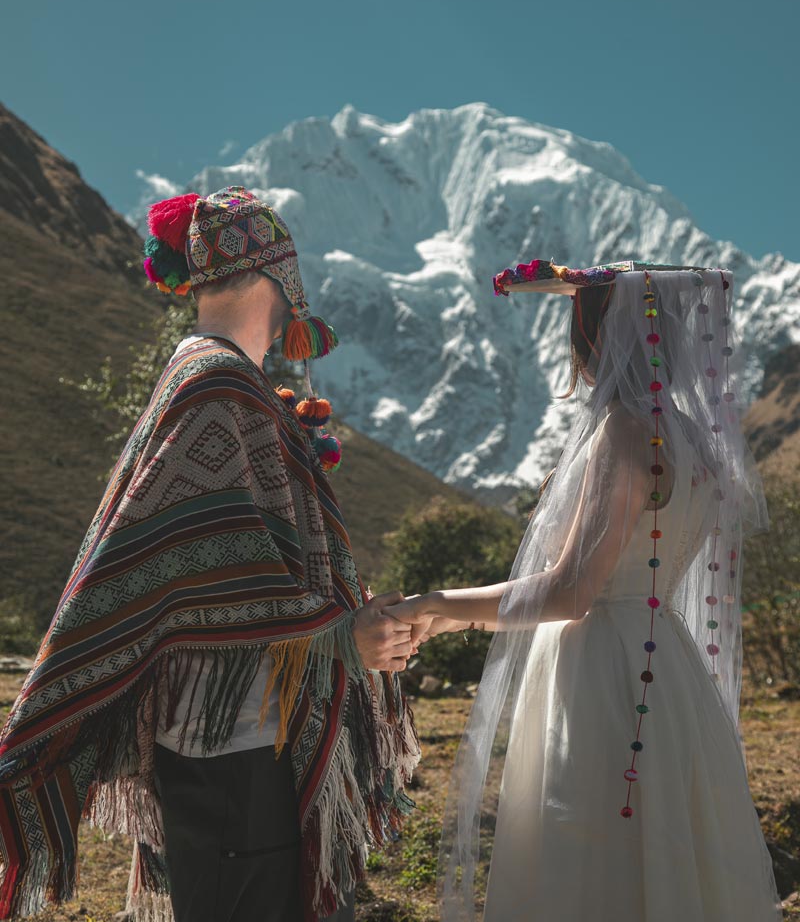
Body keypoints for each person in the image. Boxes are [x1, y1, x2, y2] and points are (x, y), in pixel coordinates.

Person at [0, 186, 420, 922]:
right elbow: (203, 575)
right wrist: (339, 635)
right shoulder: (217, 384)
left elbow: (209, 562)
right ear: (278, 277)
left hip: (231, 737)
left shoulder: (216, 378)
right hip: (226, 746)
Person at [386, 259, 782, 921]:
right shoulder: (695, 444)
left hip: (599, 671)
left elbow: (573, 590)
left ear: (595, 339)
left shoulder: (625, 432)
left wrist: (440, 607)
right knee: (663, 850)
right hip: (667, 669)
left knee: (586, 856)